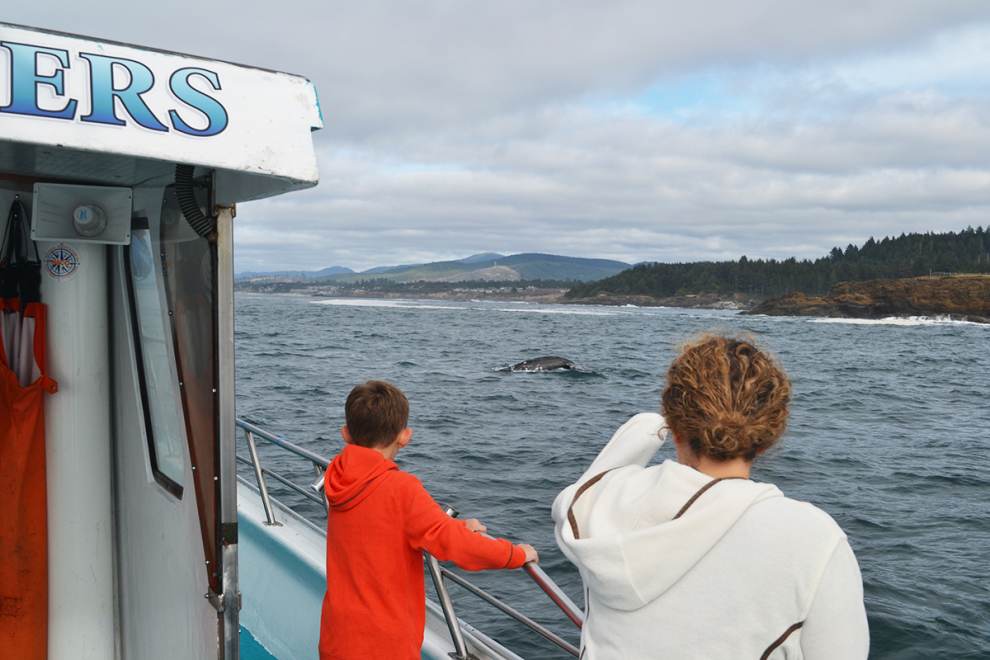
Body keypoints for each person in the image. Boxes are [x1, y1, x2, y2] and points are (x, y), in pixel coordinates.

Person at [553, 335, 869, 659]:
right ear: (768, 438)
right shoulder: (813, 537)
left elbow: (589, 482)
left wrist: (654, 422)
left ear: (674, 425)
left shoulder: (602, 502)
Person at [320, 380, 538, 660]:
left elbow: (382, 523)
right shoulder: (401, 489)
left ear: (346, 433)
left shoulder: (338, 475)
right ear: (405, 437)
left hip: (338, 636)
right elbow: (459, 547)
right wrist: (515, 554)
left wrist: (457, 526)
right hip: (384, 646)